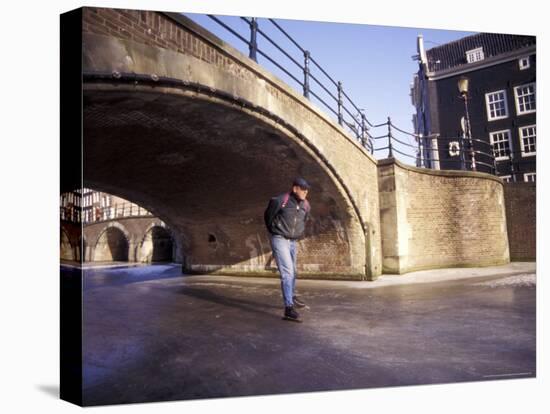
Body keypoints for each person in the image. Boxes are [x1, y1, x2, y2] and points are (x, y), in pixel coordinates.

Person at [264, 177, 311, 322]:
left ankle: (291, 294)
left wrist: (297, 233)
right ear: (295, 188)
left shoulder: (306, 205)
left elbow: (305, 219)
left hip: (293, 241)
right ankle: (288, 308)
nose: (305, 192)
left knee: (294, 271)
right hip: (280, 239)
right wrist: (274, 231)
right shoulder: (280, 200)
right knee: (287, 272)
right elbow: (268, 216)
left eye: (307, 190)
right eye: (302, 189)